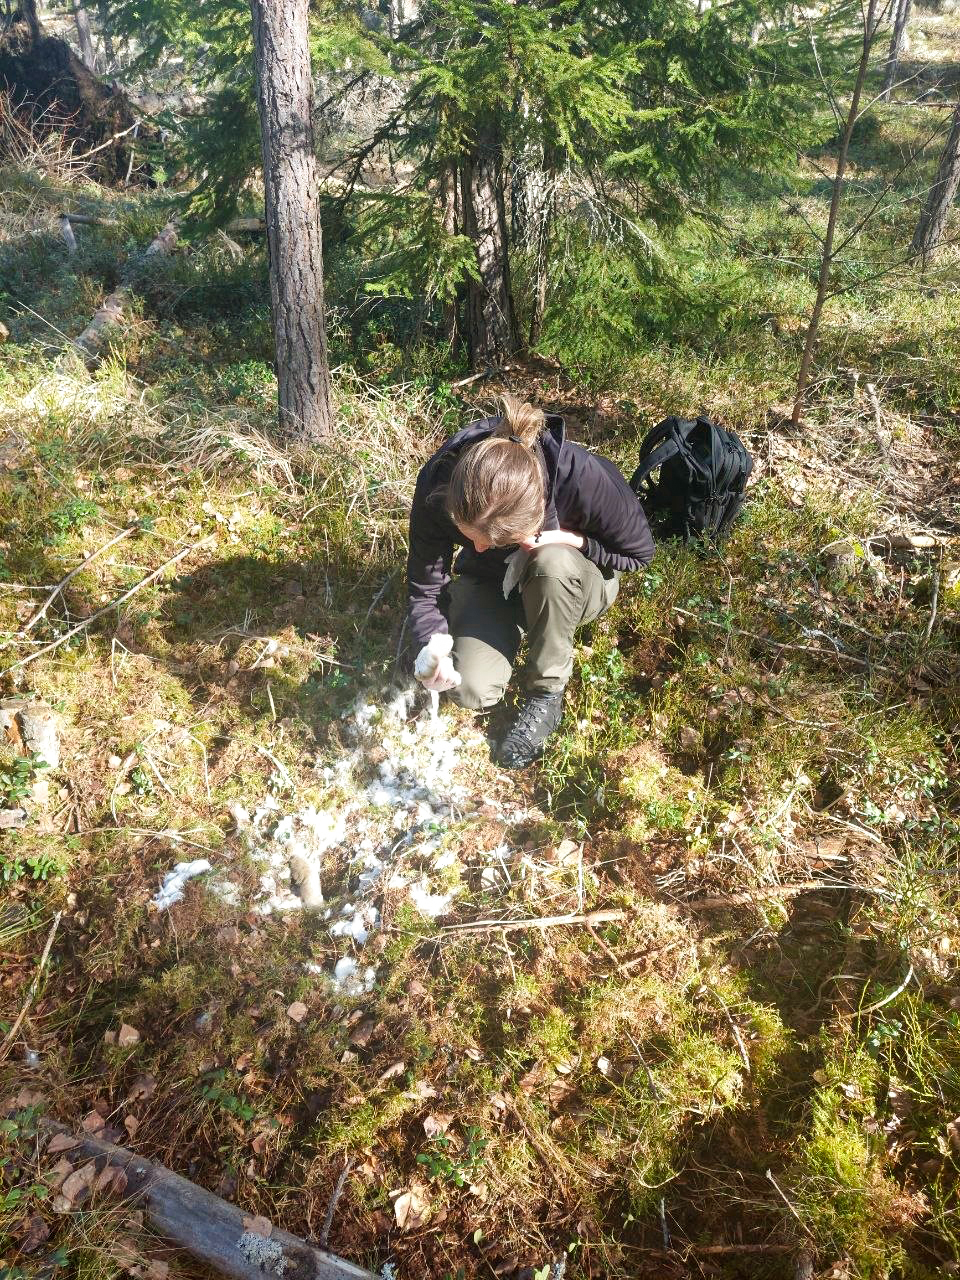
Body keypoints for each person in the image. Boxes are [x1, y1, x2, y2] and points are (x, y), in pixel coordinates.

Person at [406, 393, 655, 767]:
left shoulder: (581, 477)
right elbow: (426, 584)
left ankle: (546, 694)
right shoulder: (439, 484)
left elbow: (639, 554)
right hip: (494, 582)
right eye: (468, 534)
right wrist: (430, 644)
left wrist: (574, 540)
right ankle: (511, 621)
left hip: (570, 577)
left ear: (535, 515)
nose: (474, 545)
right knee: (471, 688)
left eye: (492, 540)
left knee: (550, 562)